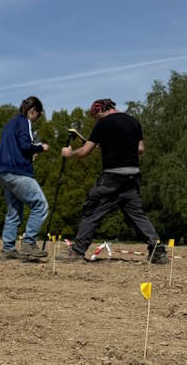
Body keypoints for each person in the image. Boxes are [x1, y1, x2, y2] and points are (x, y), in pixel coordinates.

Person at [60, 99, 168, 264]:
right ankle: (158, 251)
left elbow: (85, 151)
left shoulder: (104, 124)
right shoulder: (134, 122)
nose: (96, 120)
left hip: (112, 177)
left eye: (95, 117)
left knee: (92, 209)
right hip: (132, 176)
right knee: (137, 215)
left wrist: (70, 153)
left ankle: (77, 251)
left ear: (100, 111)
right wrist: (112, 146)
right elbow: (140, 149)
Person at [0, 97, 50, 261]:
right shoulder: (25, 122)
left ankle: (8, 248)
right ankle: (28, 243)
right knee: (40, 205)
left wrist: (28, 153)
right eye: (37, 116)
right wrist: (41, 147)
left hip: (5, 171)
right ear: (32, 111)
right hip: (18, 171)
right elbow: (26, 145)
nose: (36, 119)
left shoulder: (9, 124)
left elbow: (17, 146)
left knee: (14, 211)